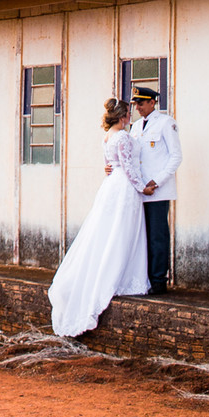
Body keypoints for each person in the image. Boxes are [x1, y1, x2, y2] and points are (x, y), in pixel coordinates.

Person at [47, 97, 149, 337]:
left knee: (110, 231)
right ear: (123, 116)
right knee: (124, 232)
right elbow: (128, 167)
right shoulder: (123, 137)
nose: (130, 117)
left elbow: (109, 164)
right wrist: (142, 187)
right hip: (124, 186)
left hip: (110, 185)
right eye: (128, 113)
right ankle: (123, 277)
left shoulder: (107, 137)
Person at [129, 89, 181, 294]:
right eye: (136, 104)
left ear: (152, 103)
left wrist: (157, 181)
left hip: (158, 191)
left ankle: (159, 280)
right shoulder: (134, 127)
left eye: (141, 103)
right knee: (141, 235)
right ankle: (145, 279)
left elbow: (176, 157)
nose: (138, 107)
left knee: (157, 236)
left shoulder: (166, 123)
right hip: (140, 190)